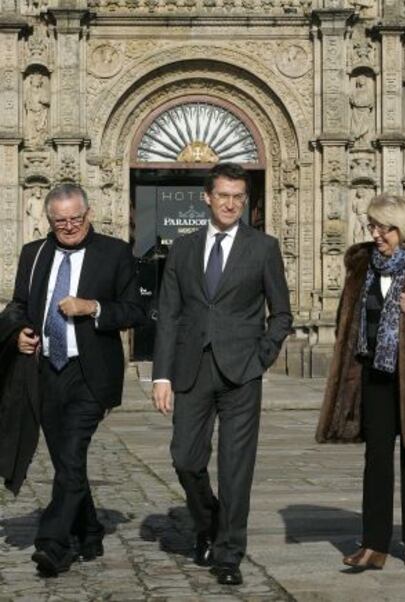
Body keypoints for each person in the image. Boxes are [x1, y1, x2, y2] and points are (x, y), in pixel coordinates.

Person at [152, 162, 292, 585]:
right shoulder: (183, 248)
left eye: (238, 197)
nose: (231, 203)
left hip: (240, 373)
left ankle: (229, 552)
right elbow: (170, 315)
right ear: (207, 198)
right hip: (191, 370)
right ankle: (208, 519)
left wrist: (260, 358)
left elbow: (281, 314)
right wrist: (161, 376)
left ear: (244, 200)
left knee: (235, 467)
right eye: (223, 195)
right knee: (184, 458)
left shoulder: (263, 248)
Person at [13, 183, 145, 575]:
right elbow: (20, 304)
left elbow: (135, 310)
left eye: (75, 218)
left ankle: (53, 543)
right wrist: (20, 330)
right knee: (67, 461)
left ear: (88, 214)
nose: (69, 226)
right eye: (60, 221)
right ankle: (89, 529)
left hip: (90, 374)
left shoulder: (115, 252)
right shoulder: (33, 254)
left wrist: (93, 307)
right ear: (49, 221)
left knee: (71, 453)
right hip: (46, 371)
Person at [316, 193, 405, 571]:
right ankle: (374, 544)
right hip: (375, 374)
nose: (376, 234)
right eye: (372, 226)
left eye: (383, 228)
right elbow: (348, 318)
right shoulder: (363, 268)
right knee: (376, 459)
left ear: (401, 229)